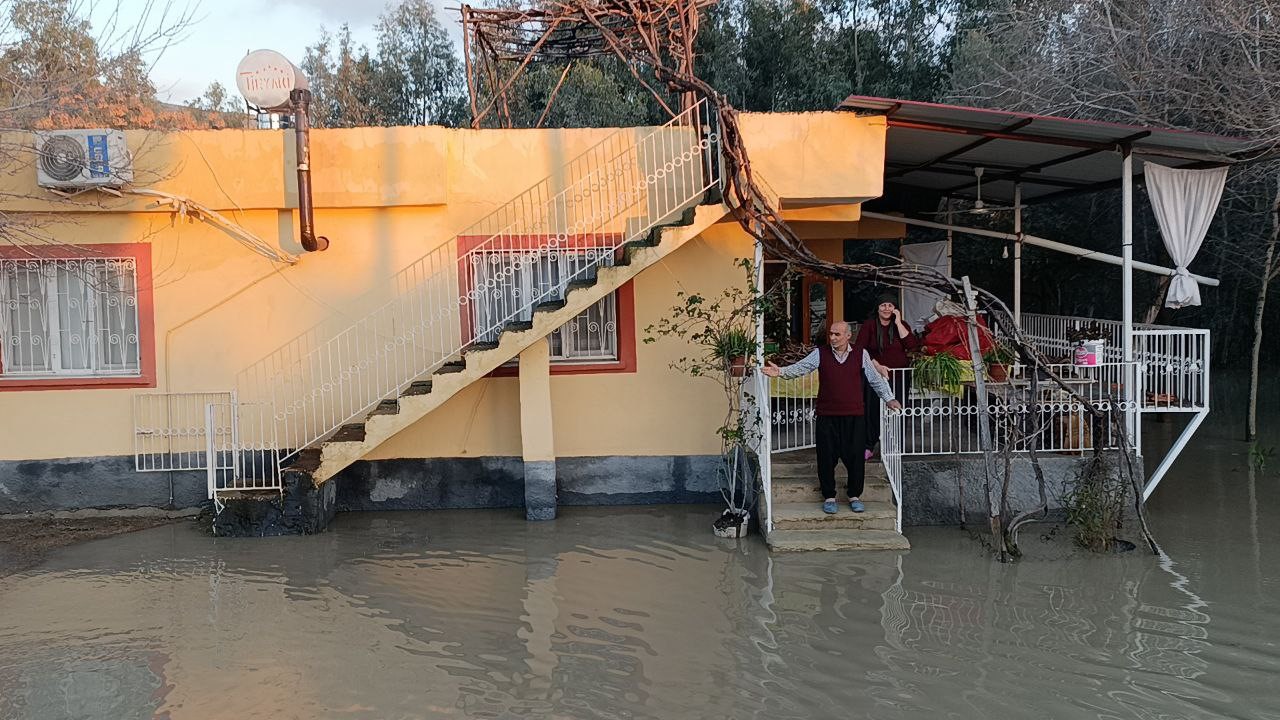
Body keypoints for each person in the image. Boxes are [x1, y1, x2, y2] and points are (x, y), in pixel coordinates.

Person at [762, 321, 901, 514]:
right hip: (827, 415)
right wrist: (781, 372)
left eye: (837, 334)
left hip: (854, 415)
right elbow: (801, 368)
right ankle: (829, 496)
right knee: (826, 457)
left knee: (855, 457)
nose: (833, 338)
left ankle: (854, 495)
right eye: (831, 334)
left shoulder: (861, 354)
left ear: (848, 336)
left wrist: (889, 398)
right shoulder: (821, 353)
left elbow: (875, 379)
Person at [857, 292, 921, 459]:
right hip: (875, 377)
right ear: (878, 308)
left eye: (890, 305)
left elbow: (912, 345)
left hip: (899, 377)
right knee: (872, 410)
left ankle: (896, 446)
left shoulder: (901, 325)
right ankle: (869, 445)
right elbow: (860, 349)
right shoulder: (869, 325)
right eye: (883, 305)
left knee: (897, 410)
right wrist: (876, 366)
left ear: (895, 309)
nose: (886, 308)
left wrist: (898, 322)